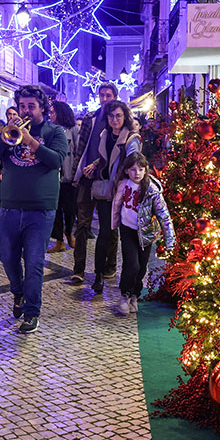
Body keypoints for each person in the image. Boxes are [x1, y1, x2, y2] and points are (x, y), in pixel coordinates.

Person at [0, 85, 69, 334]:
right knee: (6, 255)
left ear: (42, 107)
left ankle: (32, 312)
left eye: (31, 106)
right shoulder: (7, 131)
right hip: (10, 206)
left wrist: (30, 140)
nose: (25, 110)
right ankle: (18, 291)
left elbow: (56, 160)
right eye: (22, 106)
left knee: (33, 261)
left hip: (41, 208)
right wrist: (3, 137)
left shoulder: (55, 131)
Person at [111, 153, 175, 315]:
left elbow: (164, 215)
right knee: (131, 264)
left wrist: (170, 241)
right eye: (133, 169)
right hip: (127, 229)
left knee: (141, 267)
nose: (137, 173)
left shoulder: (152, 190)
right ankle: (125, 295)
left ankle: (135, 295)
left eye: (141, 169)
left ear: (146, 170)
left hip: (146, 233)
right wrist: (114, 222)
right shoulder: (123, 184)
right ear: (126, 170)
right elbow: (117, 204)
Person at [89, 100, 141, 295]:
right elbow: (106, 158)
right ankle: (98, 276)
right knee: (104, 233)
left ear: (125, 116)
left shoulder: (131, 138)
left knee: (126, 235)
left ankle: (128, 281)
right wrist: (95, 164)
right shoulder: (105, 134)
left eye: (118, 115)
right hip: (106, 190)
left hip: (124, 192)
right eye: (111, 116)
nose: (115, 119)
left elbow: (133, 160)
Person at [71, 83, 119, 284]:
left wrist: (97, 164)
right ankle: (79, 269)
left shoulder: (118, 119)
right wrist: (76, 173)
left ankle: (110, 265)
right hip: (86, 179)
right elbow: (81, 148)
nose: (104, 98)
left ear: (115, 97)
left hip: (107, 180)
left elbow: (117, 150)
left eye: (108, 95)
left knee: (110, 225)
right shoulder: (90, 118)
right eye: (102, 95)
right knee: (82, 224)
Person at [48, 100, 79, 254]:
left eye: (53, 112)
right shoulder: (50, 129)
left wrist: (76, 174)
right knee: (55, 208)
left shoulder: (73, 129)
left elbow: (79, 151)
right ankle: (59, 240)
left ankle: (69, 233)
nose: (50, 115)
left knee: (70, 208)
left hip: (69, 176)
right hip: (53, 176)